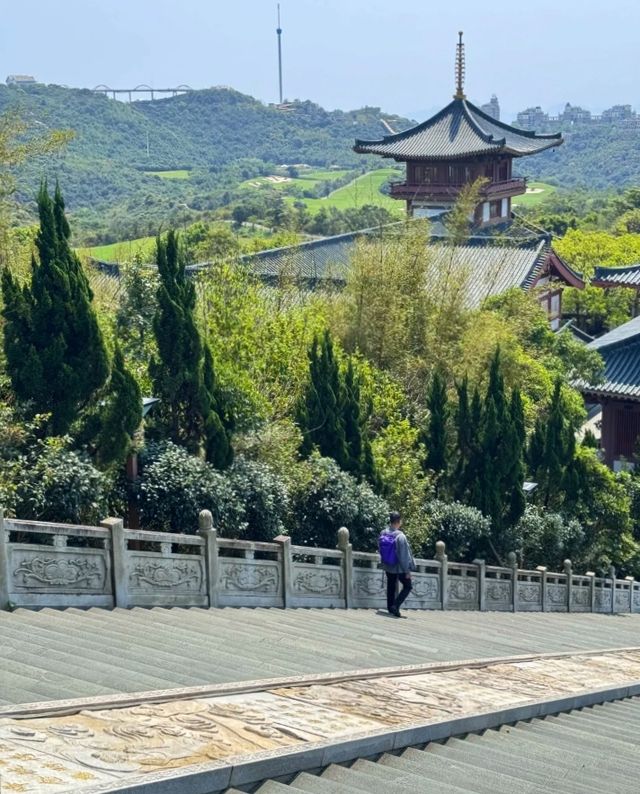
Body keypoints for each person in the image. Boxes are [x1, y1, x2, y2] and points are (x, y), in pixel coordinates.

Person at [379, 511, 416, 617]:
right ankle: (395, 605)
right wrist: (407, 571)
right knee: (408, 586)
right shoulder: (401, 536)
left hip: (387, 565)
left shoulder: (383, 533)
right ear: (398, 522)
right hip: (399, 567)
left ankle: (390, 607)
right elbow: (404, 556)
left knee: (391, 585)